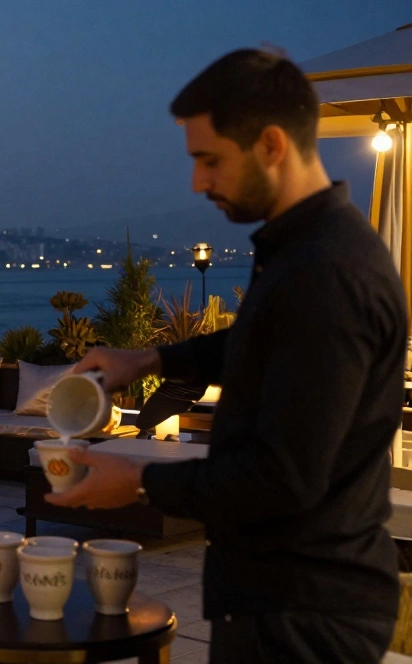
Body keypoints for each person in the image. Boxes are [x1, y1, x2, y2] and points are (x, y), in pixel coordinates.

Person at [46, 50, 405, 663]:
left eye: (209, 160)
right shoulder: (304, 251)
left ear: (270, 145)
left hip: (303, 613)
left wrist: (138, 481)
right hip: (285, 596)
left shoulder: (324, 272)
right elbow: (258, 345)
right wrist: (152, 358)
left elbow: (283, 478)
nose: (197, 183)